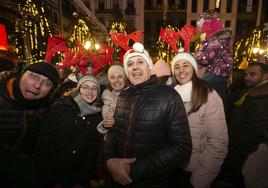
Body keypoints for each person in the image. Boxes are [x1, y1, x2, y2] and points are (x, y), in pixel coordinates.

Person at [104, 42, 192, 188]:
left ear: (149, 66)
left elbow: (182, 148)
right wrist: (109, 161)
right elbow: (114, 132)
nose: (135, 67)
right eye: (130, 64)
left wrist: (133, 169)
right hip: (118, 179)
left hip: (152, 182)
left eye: (140, 61)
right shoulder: (123, 96)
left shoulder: (168, 95)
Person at [171, 52, 228, 188]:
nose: (181, 70)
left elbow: (218, 143)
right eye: (177, 66)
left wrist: (199, 180)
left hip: (195, 172)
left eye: (186, 65)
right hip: (171, 168)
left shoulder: (208, 94)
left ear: (194, 69)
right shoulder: (171, 94)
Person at [35, 74, 103, 188]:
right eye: (85, 87)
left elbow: (92, 152)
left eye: (94, 88)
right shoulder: (60, 108)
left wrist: (82, 181)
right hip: (52, 176)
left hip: (76, 179)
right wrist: (50, 180)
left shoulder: (97, 116)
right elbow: (43, 145)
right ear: (79, 89)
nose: (90, 91)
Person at [0, 61, 60, 188]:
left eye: (47, 83)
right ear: (21, 74)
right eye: (34, 76)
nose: (38, 85)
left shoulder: (45, 108)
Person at [226, 63, 268, 187]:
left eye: (252, 74)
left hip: (246, 153)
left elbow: (256, 130)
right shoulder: (250, 91)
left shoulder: (262, 97)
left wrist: (242, 153)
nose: (246, 77)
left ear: (265, 76)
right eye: (246, 74)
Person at [195, 10, 233, 115]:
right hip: (221, 73)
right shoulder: (221, 41)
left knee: (200, 85)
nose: (201, 33)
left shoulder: (215, 42)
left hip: (217, 72)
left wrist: (202, 43)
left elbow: (205, 59)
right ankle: (222, 111)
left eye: (202, 31)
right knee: (219, 92)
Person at [97, 64, 127, 138]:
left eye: (120, 76)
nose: (116, 80)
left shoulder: (132, 97)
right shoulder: (104, 97)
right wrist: (103, 126)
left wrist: (117, 120)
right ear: (109, 80)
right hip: (111, 142)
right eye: (112, 77)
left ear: (125, 78)